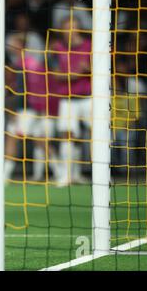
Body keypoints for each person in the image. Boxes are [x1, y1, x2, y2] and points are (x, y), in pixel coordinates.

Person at [4, 34, 61, 183]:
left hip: (27, 109)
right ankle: (60, 172)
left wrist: (18, 109)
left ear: (20, 45)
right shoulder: (26, 63)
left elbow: (28, 90)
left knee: (12, 137)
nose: (9, 46)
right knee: (40, 141)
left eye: (12, 43)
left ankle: (4, 175)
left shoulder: (26, 65)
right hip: (32, 109)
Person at [50, 17, 92, 187]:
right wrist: (75, 74)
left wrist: (87, 70)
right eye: (67, 28)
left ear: (78, 28)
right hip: (67, 100)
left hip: (89, 97)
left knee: (96, 136)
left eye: (73, 27)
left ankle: (99, 176)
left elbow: (102, 70)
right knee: (68, 136)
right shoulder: (57, 48)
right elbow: (54, 74)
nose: (70, 31)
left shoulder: (90, 45)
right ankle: (67, 176)